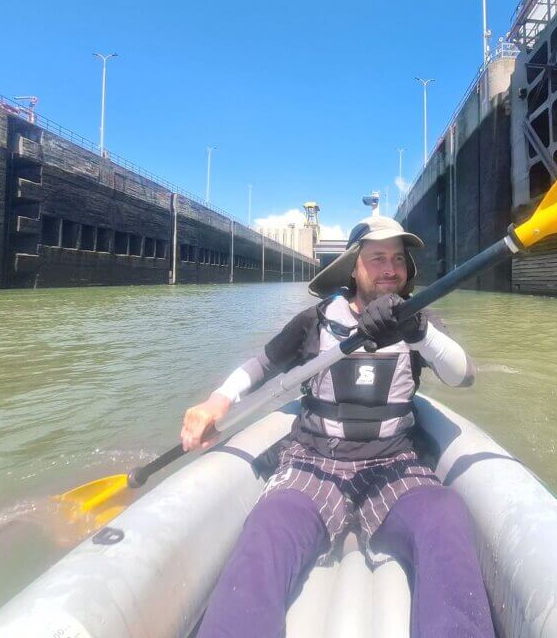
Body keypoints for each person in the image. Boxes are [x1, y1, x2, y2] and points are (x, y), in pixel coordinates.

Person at [180, 216, 495, 638]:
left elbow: (464, 376)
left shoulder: (422, 321)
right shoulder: (314, 321)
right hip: (314, 462)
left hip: (394, 466)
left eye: (398, 259)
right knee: (268, 524)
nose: (390, 269)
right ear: (353, 266)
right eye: (377, 258)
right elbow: (264, 365)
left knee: (445, 513)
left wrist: (419, 334)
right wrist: (216, 400)